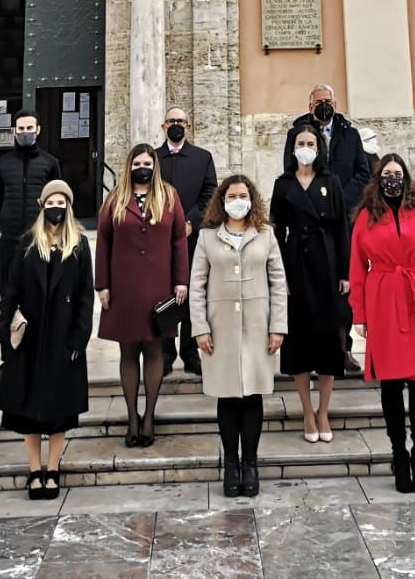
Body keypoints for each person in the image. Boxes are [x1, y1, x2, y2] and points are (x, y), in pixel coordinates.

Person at [349, 153, 415, 495]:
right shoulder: (365, 217)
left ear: (406, 177)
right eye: (386, 174)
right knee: (391, 384)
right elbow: (357, 268)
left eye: (398, 173)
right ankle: (398, 453)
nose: (393, 179)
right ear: (378, 179)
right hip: (382, 300)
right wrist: (358, 313)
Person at [190, 174, 287, 499]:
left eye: (243, 195)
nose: (238, 201)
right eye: (232, 195)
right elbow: (197, 286)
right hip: (221, 330)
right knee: (228, 397)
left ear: (252, 198)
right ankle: (231, 464)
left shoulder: (266, 235)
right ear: (222, 200)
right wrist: (200, 327)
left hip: (258, 327)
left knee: (252, 397)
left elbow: (278, 283)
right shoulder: (207, 237)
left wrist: (278, 327)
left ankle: (251, 463)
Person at [0, 181, 94, 501]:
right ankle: (34, 469)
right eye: (51, 201)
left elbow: (84, 295)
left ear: (69, 206)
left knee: (60, 408)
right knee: (29, 410)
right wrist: (5, 326)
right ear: (42, 206)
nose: (56, 207)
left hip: (63, 338)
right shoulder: (27, 243)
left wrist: (80, 335)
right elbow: (12, 289)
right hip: (31, 336)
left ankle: (53, 468)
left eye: (61, 202)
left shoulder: (78, 244)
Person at [95, 144, 188, 447]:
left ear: (155, 166)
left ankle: (149, 416)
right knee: (128, 352)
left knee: (154, 350)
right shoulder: (115, 198)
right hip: (123, 286)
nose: (142, 167)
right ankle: (131, 417)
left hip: (159, 286)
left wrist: (180, 282)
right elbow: (104, 242)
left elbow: (178, 242)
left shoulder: (169, 196)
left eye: (147, 162)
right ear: (129, 166)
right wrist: (102, 285)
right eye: (137, 163)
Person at [269, 124, 350, 442]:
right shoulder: (282, 184)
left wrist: (344, 273)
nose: (305, 147)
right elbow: (275, 232)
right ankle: (306, 411)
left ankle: (324, 411)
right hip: (295, 267)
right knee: (300, 344)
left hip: (327, 265)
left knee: (329, 343)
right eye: (300, 143)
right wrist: (281, 276)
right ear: (292, 147)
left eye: (311, 143)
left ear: (319, 148)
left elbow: (343, 228)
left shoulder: (332, 182)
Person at [283, 84, 371, 371]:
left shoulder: (350, 134)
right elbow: (289, 170)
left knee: (340, 287)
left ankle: (342, 347)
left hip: (341, 220)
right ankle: (311, 349)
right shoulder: (298, 134)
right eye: (318, 101)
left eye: (328, 101)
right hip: (307, 224)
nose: (324, 105)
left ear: (336, 103)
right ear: (310, 106)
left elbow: (362, 173)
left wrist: (338, 199)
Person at [0, 109, 61, 386]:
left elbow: (58, 201)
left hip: (40, 242)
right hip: (9, 244)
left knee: (42, 304)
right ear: (14, 131)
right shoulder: (1, 164)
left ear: (38, 130)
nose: (25, 133)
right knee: (9, 305)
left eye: (30, 127)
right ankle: (8, 361)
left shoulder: (50, 163)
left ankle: (42, 361)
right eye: (20, 128)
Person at [155, 105, 218, 375]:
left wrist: (191, 222)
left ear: (189, 126)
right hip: (161, 239)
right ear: (163, 126)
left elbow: (210, 193)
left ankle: (190, 353)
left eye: (180, 121)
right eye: (171, 121)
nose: (176, 125)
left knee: (193, 292)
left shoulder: (203, 158)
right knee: (165, 293)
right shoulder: (154, 158)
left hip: (193, 236)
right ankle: (166, 353)